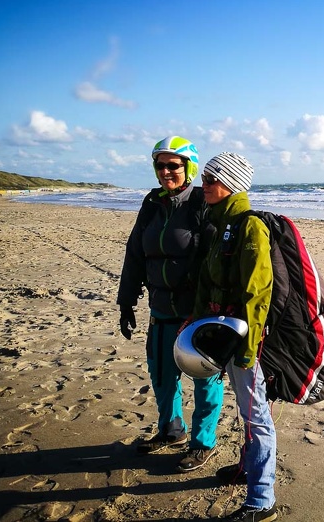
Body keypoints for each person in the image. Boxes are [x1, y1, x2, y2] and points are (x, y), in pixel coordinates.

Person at [117, 136, 224, 473]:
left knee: (205, 381)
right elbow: (134, 254)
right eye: (160, 165)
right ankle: (171, 431)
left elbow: (217, 260)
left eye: (173, 165)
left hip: (197, 315)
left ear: (188, 167)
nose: (165, 172)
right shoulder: (152, 203)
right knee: (162, 376)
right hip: (160, 310)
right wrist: (126, 302)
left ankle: (202, 443)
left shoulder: (200, 203)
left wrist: (213, 309)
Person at [191, 152, 277, 522]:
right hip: (225, 332)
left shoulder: (248, 226)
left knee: (256, 415)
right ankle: (246, 470)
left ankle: (261, 501)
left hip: (246, 339)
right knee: (245, 409)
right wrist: (196, 322)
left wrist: (247, 349)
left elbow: (257, 293)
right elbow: (209, 279)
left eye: (211, 178)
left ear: (231, 183)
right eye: (205, 177)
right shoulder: (219, 223)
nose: (204, 184)